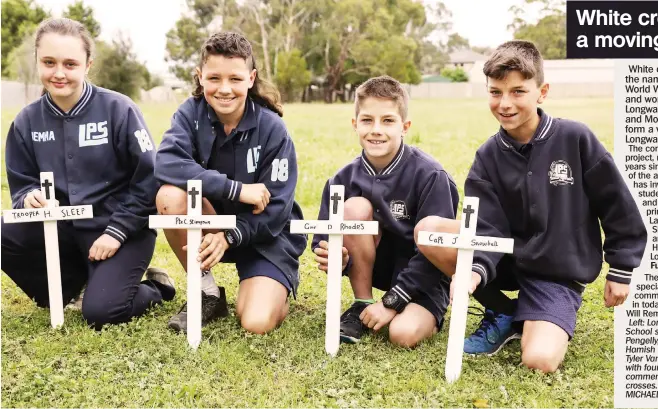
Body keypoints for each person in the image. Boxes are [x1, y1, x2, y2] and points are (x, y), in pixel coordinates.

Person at [417, 40, 647, 372]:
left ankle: (541, 312)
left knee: (539, 360)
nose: (505, 103)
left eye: (517, 92)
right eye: (495, 92)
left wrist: (622, 268)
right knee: (429, 232)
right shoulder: (487, 157)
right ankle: (503, 310)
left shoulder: (576, 138)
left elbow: (616, 205)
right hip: (506, 260)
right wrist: (474, 272)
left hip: (554, 271)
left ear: (542, 91)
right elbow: (486, 227)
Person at [1, 18, 175, 330]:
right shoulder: (26, 122)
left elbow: (150, 179)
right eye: (49, 62)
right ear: (37, 62)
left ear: (88, 64)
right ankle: (69, 288)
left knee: (101, 313)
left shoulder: (119, 110)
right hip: (63, 232)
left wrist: (117, 231)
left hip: (120, 231)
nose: (59, 73)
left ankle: (155, 289)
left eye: (70, 63)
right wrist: (29, 198)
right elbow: (21, 183)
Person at [155, 32, 306, 335]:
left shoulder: (272, 128)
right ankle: (206, 291)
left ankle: (276, 285)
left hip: (264, 235)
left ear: (251, 78)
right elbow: (166, 163)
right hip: (212, 223)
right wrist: (235, 189)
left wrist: (230, 234)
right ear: (200, 77)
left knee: (256, 322)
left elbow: (275, 209)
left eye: (235, 79)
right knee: (170, 196)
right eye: (214, 78)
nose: (224, 89)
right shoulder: (190, 113)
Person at [311, 76, 459, 347]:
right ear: (355, 125)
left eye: (388, 121)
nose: (376, 130)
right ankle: (362, 303)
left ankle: (413, 308)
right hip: (378, 267)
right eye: (367, 120)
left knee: (402, 334)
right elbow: (322, 236)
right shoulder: (341, 179)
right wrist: (334, 256)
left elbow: (437, 250)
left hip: (422, 276)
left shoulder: (431, 175)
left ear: (405, 126)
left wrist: (394, 300)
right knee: (355, 208)